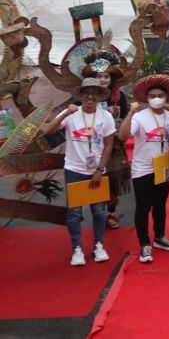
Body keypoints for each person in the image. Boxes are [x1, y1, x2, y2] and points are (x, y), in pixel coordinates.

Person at [42, 78, 115, 266]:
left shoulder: (106, 116)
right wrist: (66, 112)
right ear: (81, 95)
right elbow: (48, 132)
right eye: (86, 92)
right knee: (74, 213)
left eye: (94, 92)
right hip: (74, 170)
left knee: (99, 211)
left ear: (100, 96)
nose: (90, 96)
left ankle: (98, 245)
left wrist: (100, 169)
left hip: (96, 171)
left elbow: (108, 145)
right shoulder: (72, 114)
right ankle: (77, 248)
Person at [119, 74, 169, 263]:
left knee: (160, 205)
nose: (156, 98)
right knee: (143, 207)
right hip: (143, 169)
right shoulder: (139, 117)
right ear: (146, 98)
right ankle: (144, 243)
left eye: (160, 95)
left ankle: (159, 237)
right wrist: (130, 113)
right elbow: (123, 136)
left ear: (166, 97)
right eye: (152, 96)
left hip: (164, 168)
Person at [82, 50, 129, 230]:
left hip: (114, 146)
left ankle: (110, 213)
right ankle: (98, 213)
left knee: (113, 181)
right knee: (94, 179)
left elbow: (125, 118)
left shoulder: (120, 97)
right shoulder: (86, 96)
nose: (102, 79)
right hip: (91, 145)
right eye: (99, 76)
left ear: (111, 79)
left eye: (106, 76)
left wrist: (120, 126)